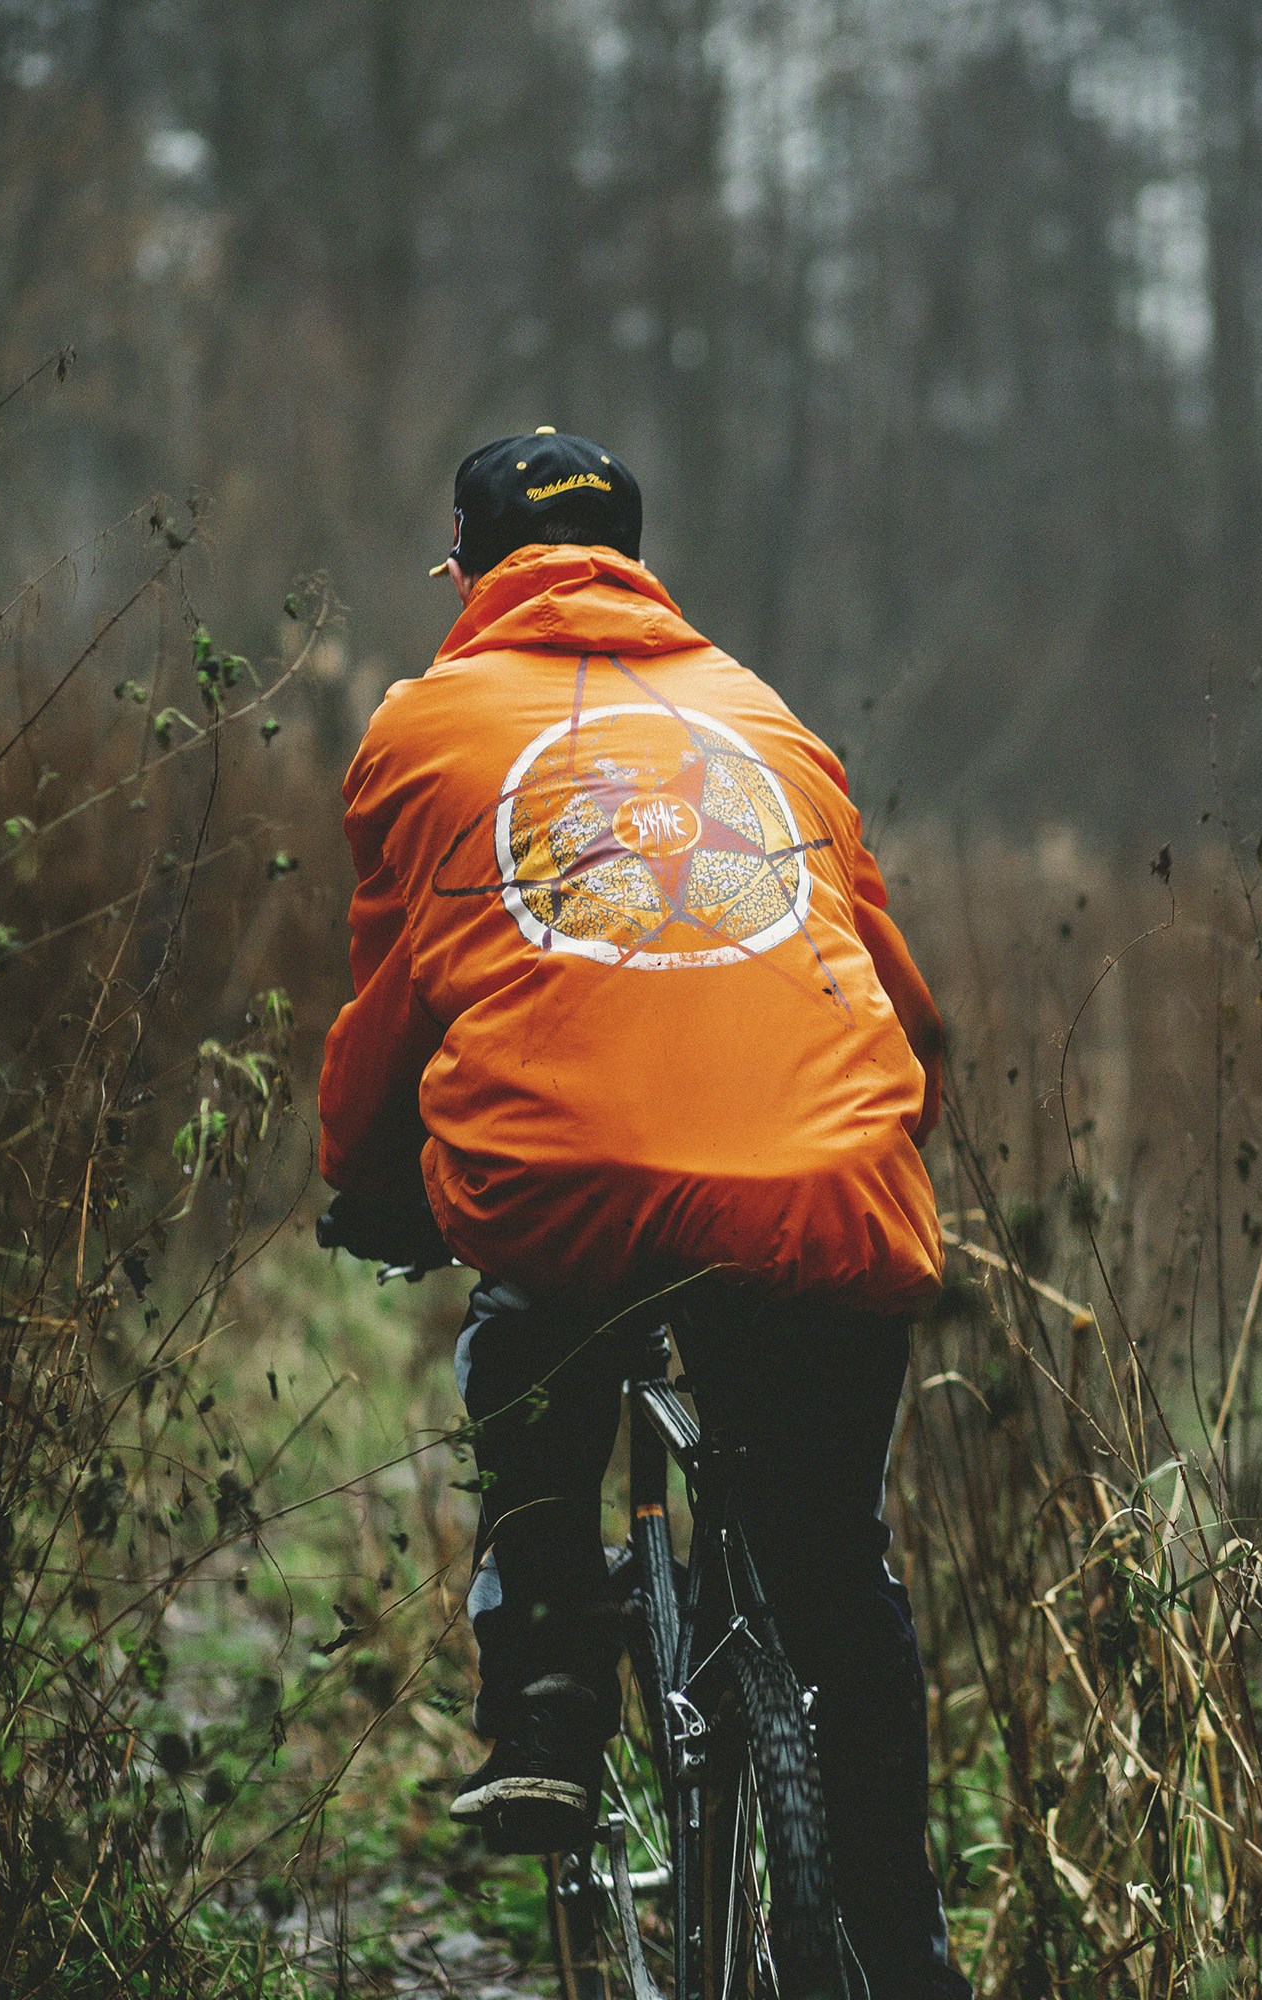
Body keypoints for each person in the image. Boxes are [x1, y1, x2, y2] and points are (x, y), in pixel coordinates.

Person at [314, 428, 966, 1997]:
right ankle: (902, 1948)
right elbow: (901, 1008)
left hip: (570, 1180)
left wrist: (368, 1182)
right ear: (635, 560)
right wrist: (855, 1137)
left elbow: (401, 1008)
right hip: (825, 1184)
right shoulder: (767, 719)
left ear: (465, 576)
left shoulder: (426, 727)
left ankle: (544, 1697)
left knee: (534, 1295)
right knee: (836, 1581)